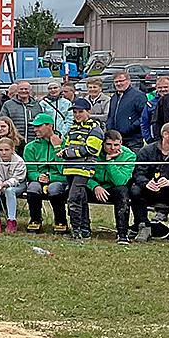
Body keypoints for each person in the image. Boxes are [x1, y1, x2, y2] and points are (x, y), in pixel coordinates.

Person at [131, 121, 169, 242]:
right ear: (165, 135)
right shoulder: (146, 151)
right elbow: (138, 173)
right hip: (150, 191)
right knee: (135, 190)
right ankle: (143, 226)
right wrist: (146, 183)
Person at [60, 98, 105, 240]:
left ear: (89, 112)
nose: (77, 115)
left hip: (84, 168)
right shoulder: (73, 127)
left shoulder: (95, 128)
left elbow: (91, 149)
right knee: (81, 198)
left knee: (73, 199)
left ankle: (76, 230)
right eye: (75, 112)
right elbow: (67, 144)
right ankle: (85, 229)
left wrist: (69, 153)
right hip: (70, 168)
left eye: (81, 111)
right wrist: (64, 151)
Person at [91, 130, 138, 244]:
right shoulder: (94, 153)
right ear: (103, 144)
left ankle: (122, 234)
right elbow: (84, 174)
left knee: (122, 191)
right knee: (78, 188)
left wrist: (109, 161)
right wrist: (95, 186)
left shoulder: (129, 156)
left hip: (113, 188)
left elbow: (120, 181)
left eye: (116, 145)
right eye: (108, 144)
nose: (112, 148)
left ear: (121, 143)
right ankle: (82, 230)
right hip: (94, 186)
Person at [22, 116, 66, 232]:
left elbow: (64, 170)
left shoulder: (64, 144)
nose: (35, 129)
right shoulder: (30, 147)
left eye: (38, 126)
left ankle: (61, 221)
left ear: (49, 126)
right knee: (33, 188)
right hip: (38, 179)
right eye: (34, 127)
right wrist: (37, 176)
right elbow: (30, 170)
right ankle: (35, 219)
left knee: (54, 188)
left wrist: (57, 147)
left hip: (58, 179)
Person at [0, 136, 26, 234]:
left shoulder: (19, 161)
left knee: (9, 191)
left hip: (18, 185)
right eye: (0, 150)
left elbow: (18, 178)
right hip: (1, 183)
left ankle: (11, 220)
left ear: (12, 149)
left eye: (7, 150)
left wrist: (6, 184)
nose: (4, 153)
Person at [105, 70, 147, 140]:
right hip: (116, 139)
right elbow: (110, 116)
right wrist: (109, 128)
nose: (119, 84)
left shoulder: (138, 96)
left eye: (121, 81)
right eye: (116, 82)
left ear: (128, 81)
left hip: (133, 139)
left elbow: (144, 116)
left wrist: (131, 127)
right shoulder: (114, 97)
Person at [141, 74, 169, 144]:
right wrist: (148, 139)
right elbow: (144, 123)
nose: (163, 89)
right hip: (156, 140)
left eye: (165, 87)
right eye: (160, 87)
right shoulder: (150, 104)